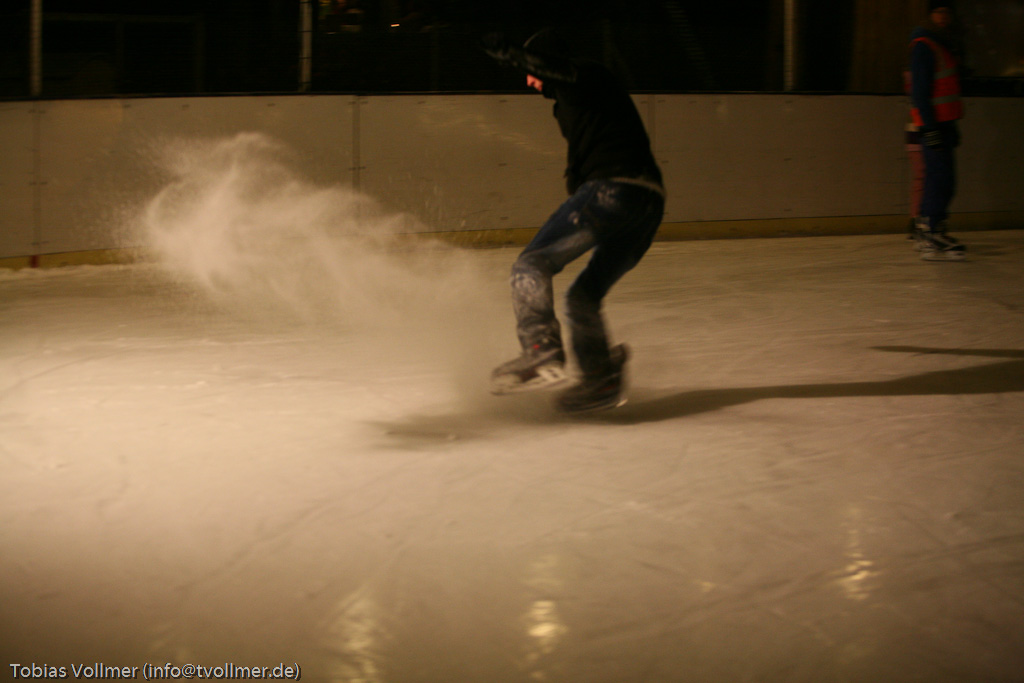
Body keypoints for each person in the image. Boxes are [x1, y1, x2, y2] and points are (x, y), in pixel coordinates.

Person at [482, 28, 665, 413]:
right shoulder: (578, 97)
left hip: (614, 191)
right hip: (647, 206)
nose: (530, 82)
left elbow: (557, 70)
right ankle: (600, 379)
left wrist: (512, 53)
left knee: (531, 264)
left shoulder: (586, 74)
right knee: (584, 296)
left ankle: (540, 349)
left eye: (532, 73)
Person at [907, 1, 966, 261]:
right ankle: (931, 230)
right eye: (939, 11)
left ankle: (933, 228)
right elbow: (920, 93)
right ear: (930, 15)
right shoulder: (924, 45)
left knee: (946, 180)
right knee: (938, 178)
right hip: (933, 124)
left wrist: (951, 125)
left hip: (945, 123)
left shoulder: (944, 45)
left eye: (947, 12)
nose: (943, 16)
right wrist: (929, 129)